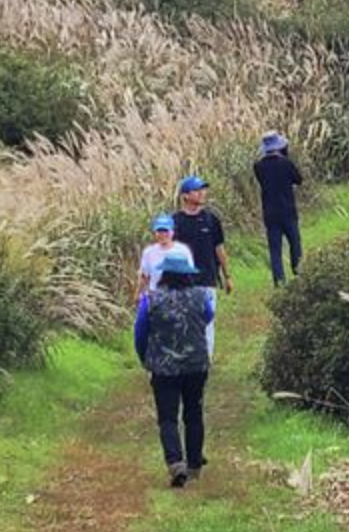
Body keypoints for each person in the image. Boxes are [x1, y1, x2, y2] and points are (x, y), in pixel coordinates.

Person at [133, 249, 213, 488]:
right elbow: (207, 318)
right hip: (196, 365)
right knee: (194, 414)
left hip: (164, 367)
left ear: (165, 274)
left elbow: (140, 333)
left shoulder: (151, 300)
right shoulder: (202, 295)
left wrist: (145, 358)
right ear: (188, 275)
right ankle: (195, 464)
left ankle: (175, 463)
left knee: (168, 417)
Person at [171, 176, 229, 355]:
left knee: (207, 322)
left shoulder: (211, 220)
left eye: (203, 190)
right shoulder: (175, 222)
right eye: (197, 190)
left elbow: (219, 249)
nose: (203, 194)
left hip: (207, 280)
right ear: (185, 196)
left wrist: (228, 276)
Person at [252, 131, 304, 287]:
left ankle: (279, 280)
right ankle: (299, 271)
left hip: (270, 212)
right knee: (295, 242)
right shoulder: (286, 163)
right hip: (288, 210)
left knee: (275, 248)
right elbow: (298, 179)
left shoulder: (258, 166)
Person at [135, 213, 188, 300]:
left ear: (172, 232)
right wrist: (138, 294)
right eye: (159, 231)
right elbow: (144, 277)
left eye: (165, 231)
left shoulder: (182, 251)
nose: (162, 234)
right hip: (154, 296)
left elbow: (188, 277)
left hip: (176, 297)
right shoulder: (149, 252)